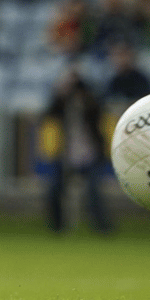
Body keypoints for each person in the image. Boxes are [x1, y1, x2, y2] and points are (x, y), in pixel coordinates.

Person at [42, 66, 112, 235]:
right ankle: (58, 226)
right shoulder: (60, 105)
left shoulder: (91, 104)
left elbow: (98, 111)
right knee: (54, 190)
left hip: (90, 154)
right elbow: (49, 114)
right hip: (66, 155)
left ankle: (101, 227)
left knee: (93, 192)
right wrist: (61, 94)